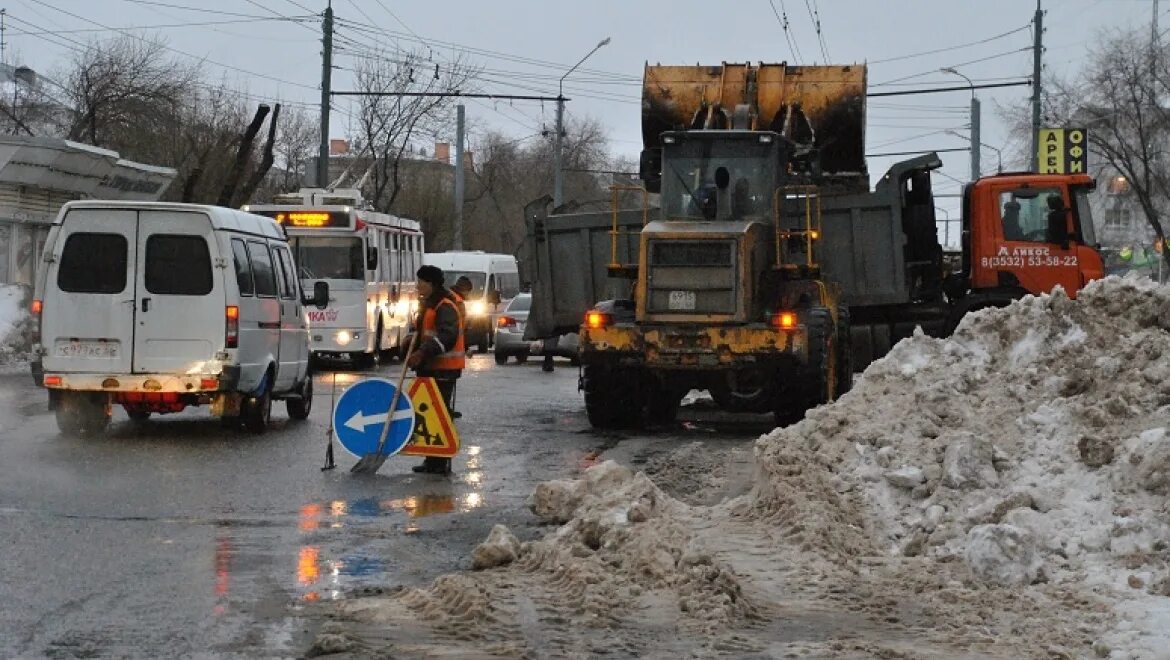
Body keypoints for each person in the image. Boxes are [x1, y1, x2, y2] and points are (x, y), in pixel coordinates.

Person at [407, 265, 465, 475]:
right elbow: (424, 333)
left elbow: (447, 336)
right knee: (430, 412)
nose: (418, 286)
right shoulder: (429, 304)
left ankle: (440, 461)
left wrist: (423, 352)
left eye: (421, 282)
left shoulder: (445, 305)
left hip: (444, 369)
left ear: (431, 284)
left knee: (439, 414)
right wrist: (410, 346)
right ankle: (432, 459)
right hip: (431, 367)